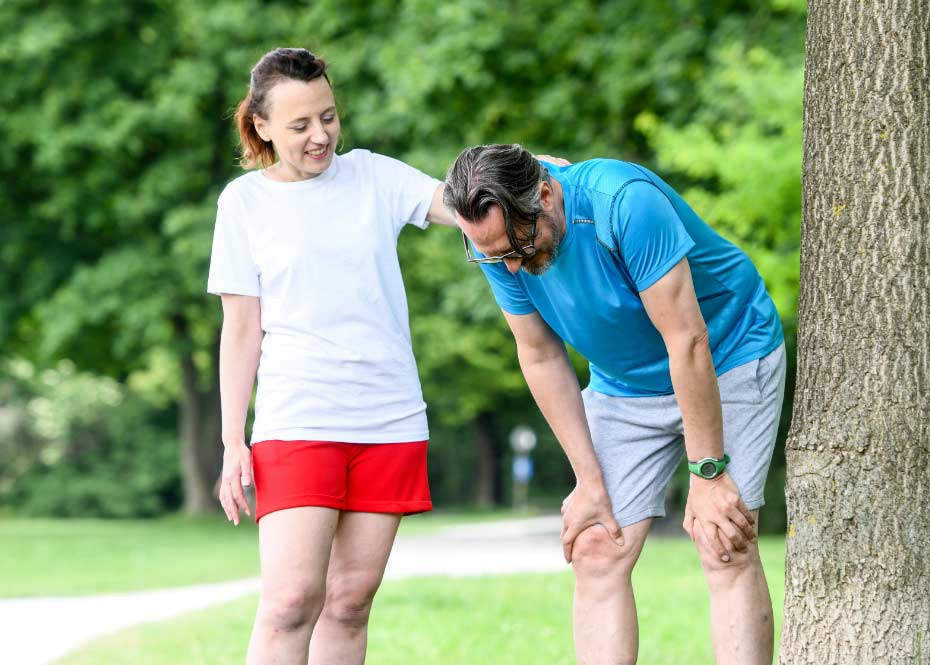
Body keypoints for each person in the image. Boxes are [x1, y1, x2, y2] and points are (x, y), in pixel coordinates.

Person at [444, 144, 787, 665]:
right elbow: (538, 355)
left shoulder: (623, 203)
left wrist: (709, 474)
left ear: (544, 194)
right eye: (492, 255)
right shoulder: (496, 240)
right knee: (595, 545)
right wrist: (588, 481)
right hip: (625, 384)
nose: (510, 266)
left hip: (726, 353)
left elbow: (687, 341)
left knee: (724, 539)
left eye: (517, 245)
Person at [207, 47, 456, 665]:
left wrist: (523, 178)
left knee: (349, 602)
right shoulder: (244, 203)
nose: (320, 135)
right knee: (291, 601)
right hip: (298, 418)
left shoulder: (374, 176)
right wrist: (233, 440)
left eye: (328, 116)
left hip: (389, 418)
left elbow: (454, 203)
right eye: (300, 125)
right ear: (261, 126)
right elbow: (240, 328)